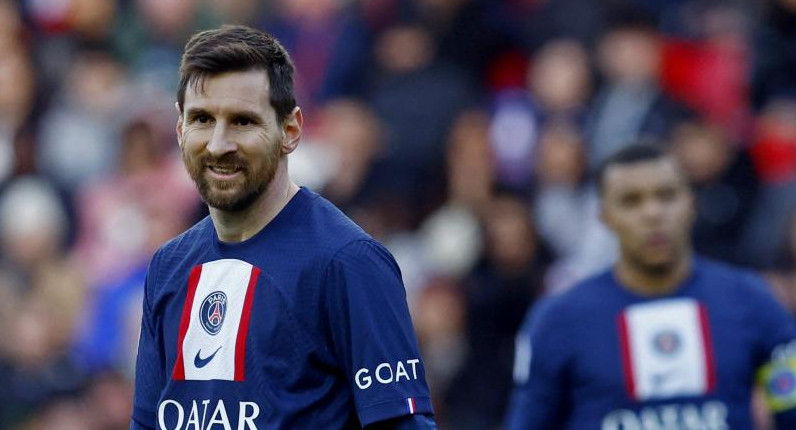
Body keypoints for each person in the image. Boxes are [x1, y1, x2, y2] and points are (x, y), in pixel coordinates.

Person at [130, 25, 436, 430]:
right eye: (202, 118)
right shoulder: (169, 267)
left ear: (290, 131)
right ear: (180, 127)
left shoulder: (347, 262)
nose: (219, 144)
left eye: (242, 122)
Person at [504, 143, 796, 429]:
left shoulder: (752, 301)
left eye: (666, 196)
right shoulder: (558, 319)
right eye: (631, 201)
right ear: (605, 216)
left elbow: (791, 409)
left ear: (691, 203)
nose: (652, 213)